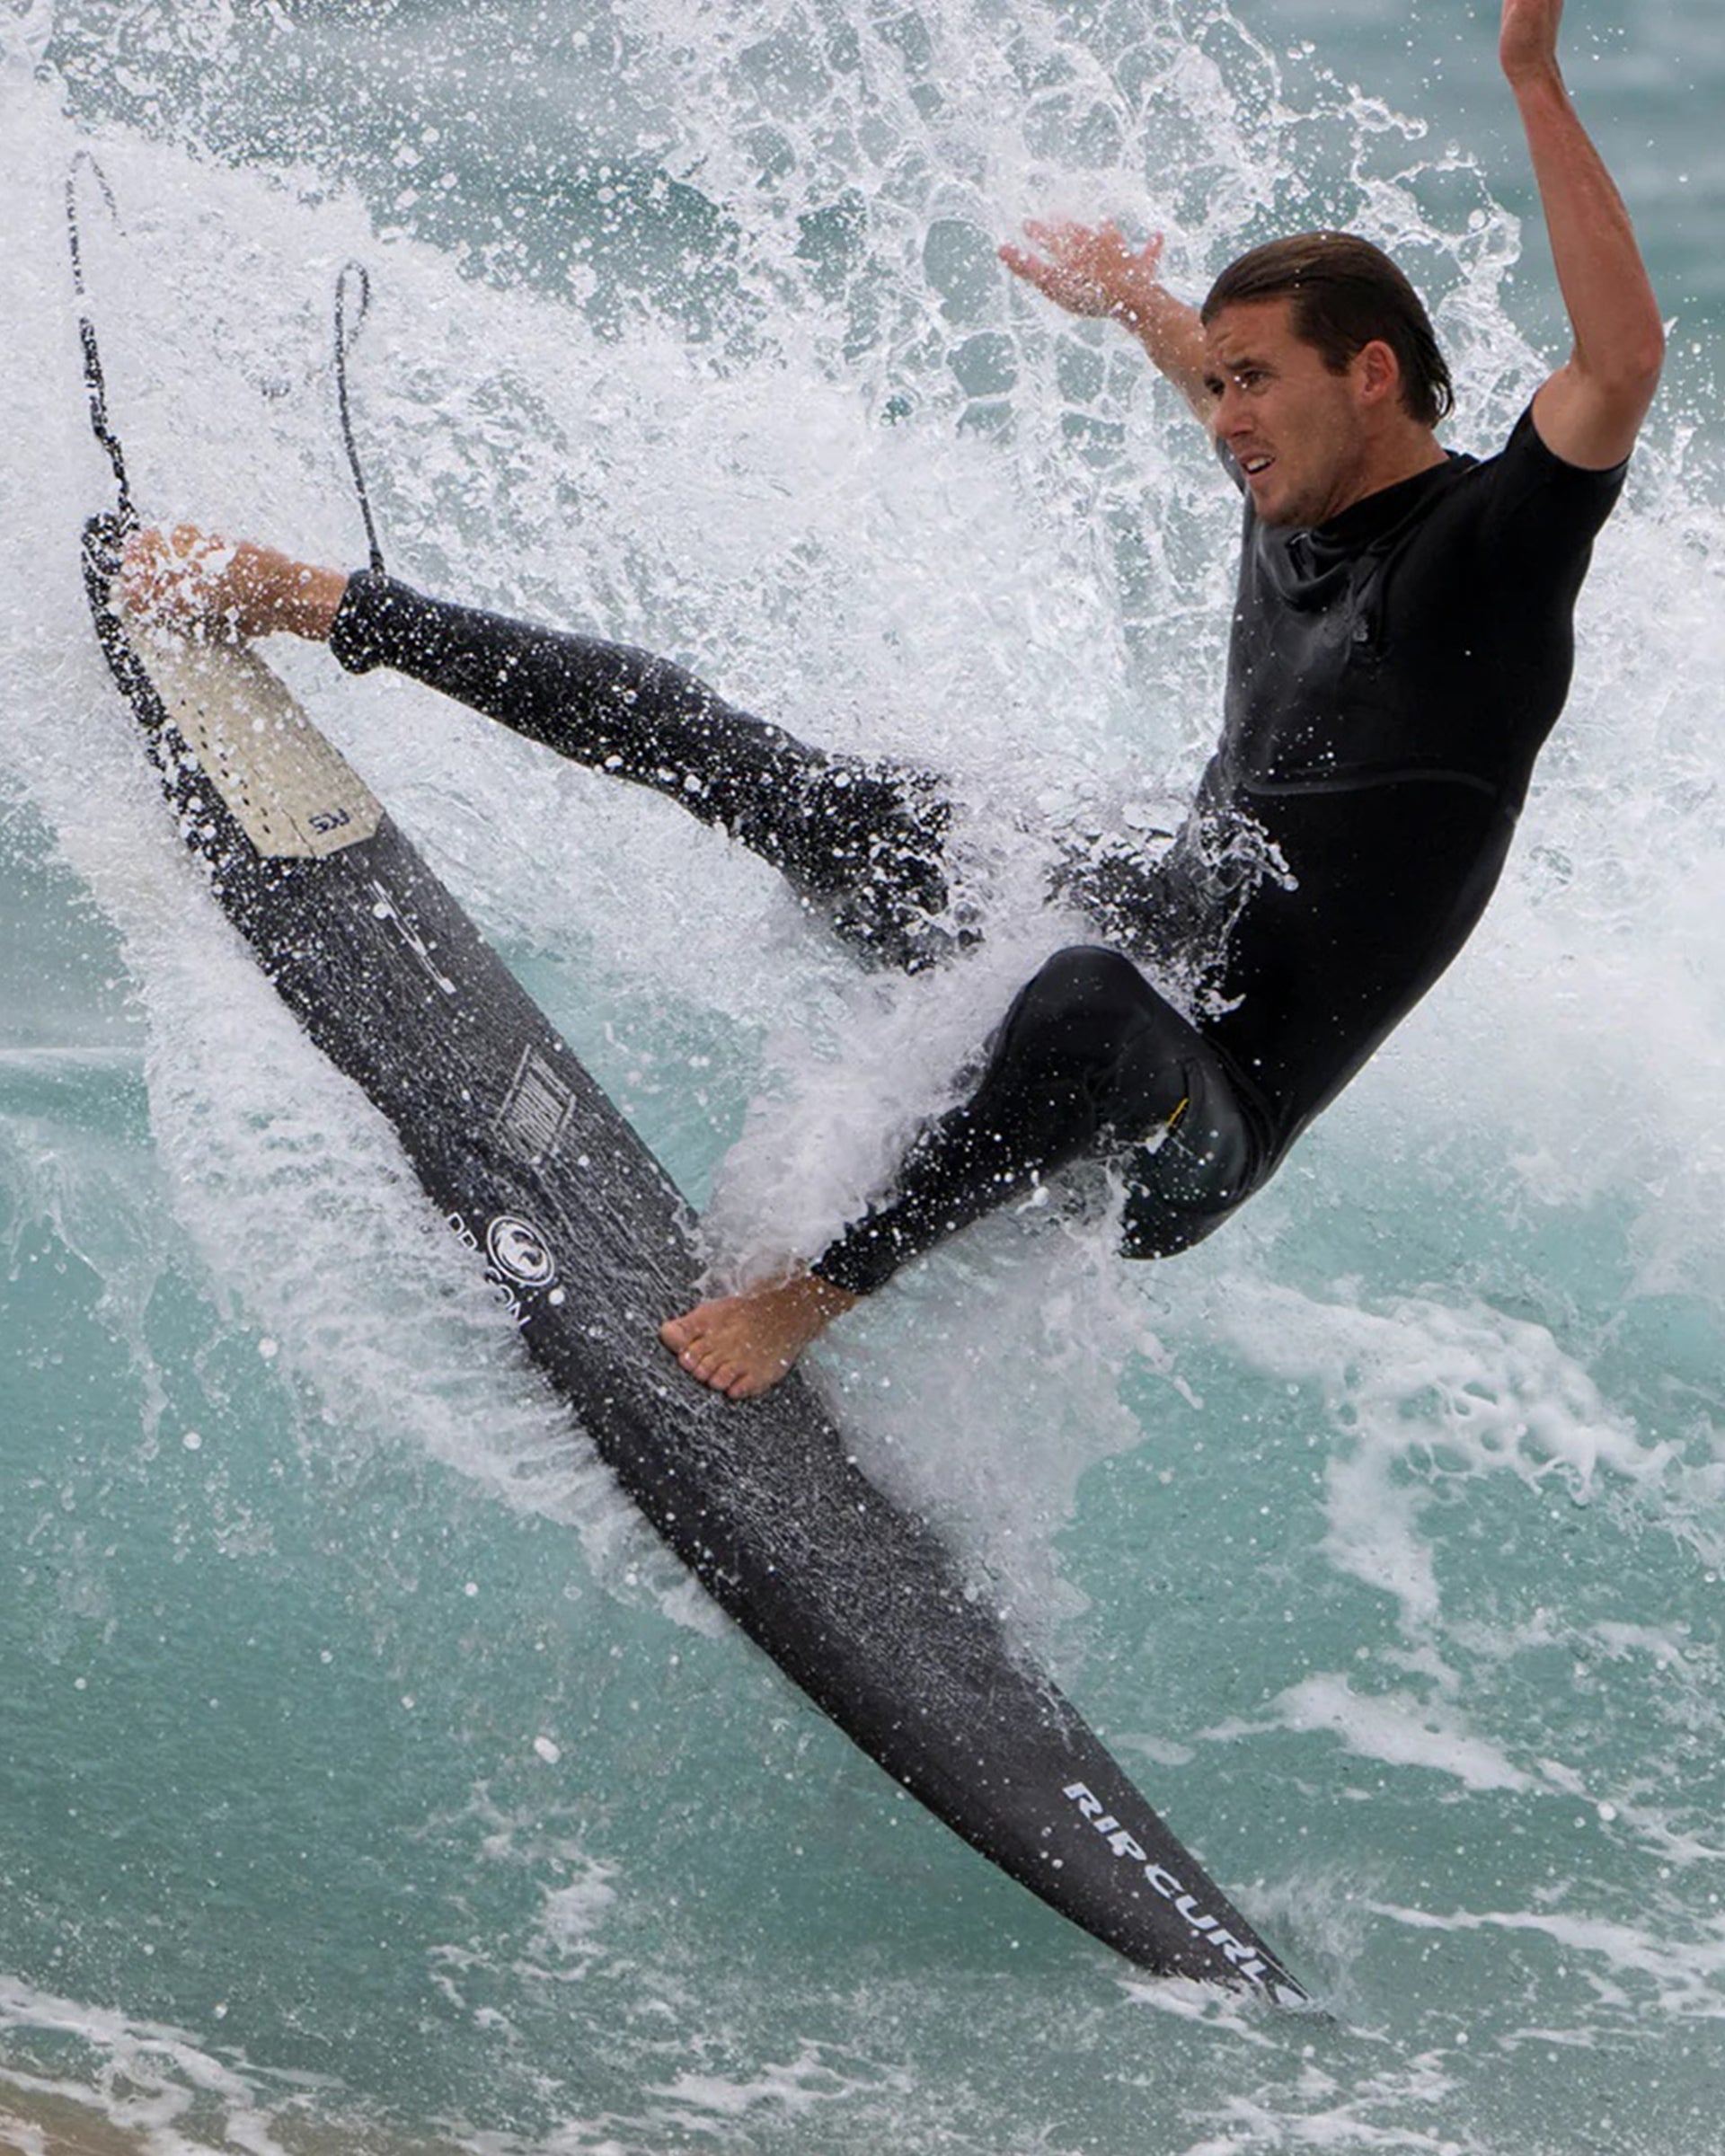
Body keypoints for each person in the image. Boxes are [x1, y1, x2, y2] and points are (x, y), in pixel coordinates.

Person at [121, 0, 1662, 1401]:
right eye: (1218, 384)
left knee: (1079, 1001)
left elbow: (1618, 362)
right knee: (815, 791)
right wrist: (1134, 297)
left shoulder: (1488, 558)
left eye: (1251, 382)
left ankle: (811, 1298)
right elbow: (1208, 371)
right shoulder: (1295, 491)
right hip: (1159, 936)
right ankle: (320, 602)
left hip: (1196, 1118)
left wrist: (1529, 74)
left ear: (1372, 375)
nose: (1221, 417)